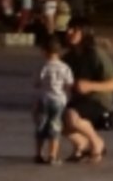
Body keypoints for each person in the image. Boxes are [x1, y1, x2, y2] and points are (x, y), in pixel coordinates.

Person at [61, 16, 113, 162]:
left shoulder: (96, 54)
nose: (69, 32)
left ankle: (96, 142)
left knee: (71, 116)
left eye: (74, 30)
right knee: (50, 117)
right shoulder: (68, 57)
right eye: (68, 29)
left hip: (98, 100)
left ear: (84, 33)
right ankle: (81, 144)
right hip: (79, 101)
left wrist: (90, 86)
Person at [34, 34, 75, 165]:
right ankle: (52, 155)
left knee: (41, 126)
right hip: (59, 100)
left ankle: (39, 154)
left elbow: (36, 83)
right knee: (55, 126)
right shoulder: (65, 67)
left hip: (44, 99)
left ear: (44, 51)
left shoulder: (43, 67)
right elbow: (69, 84)